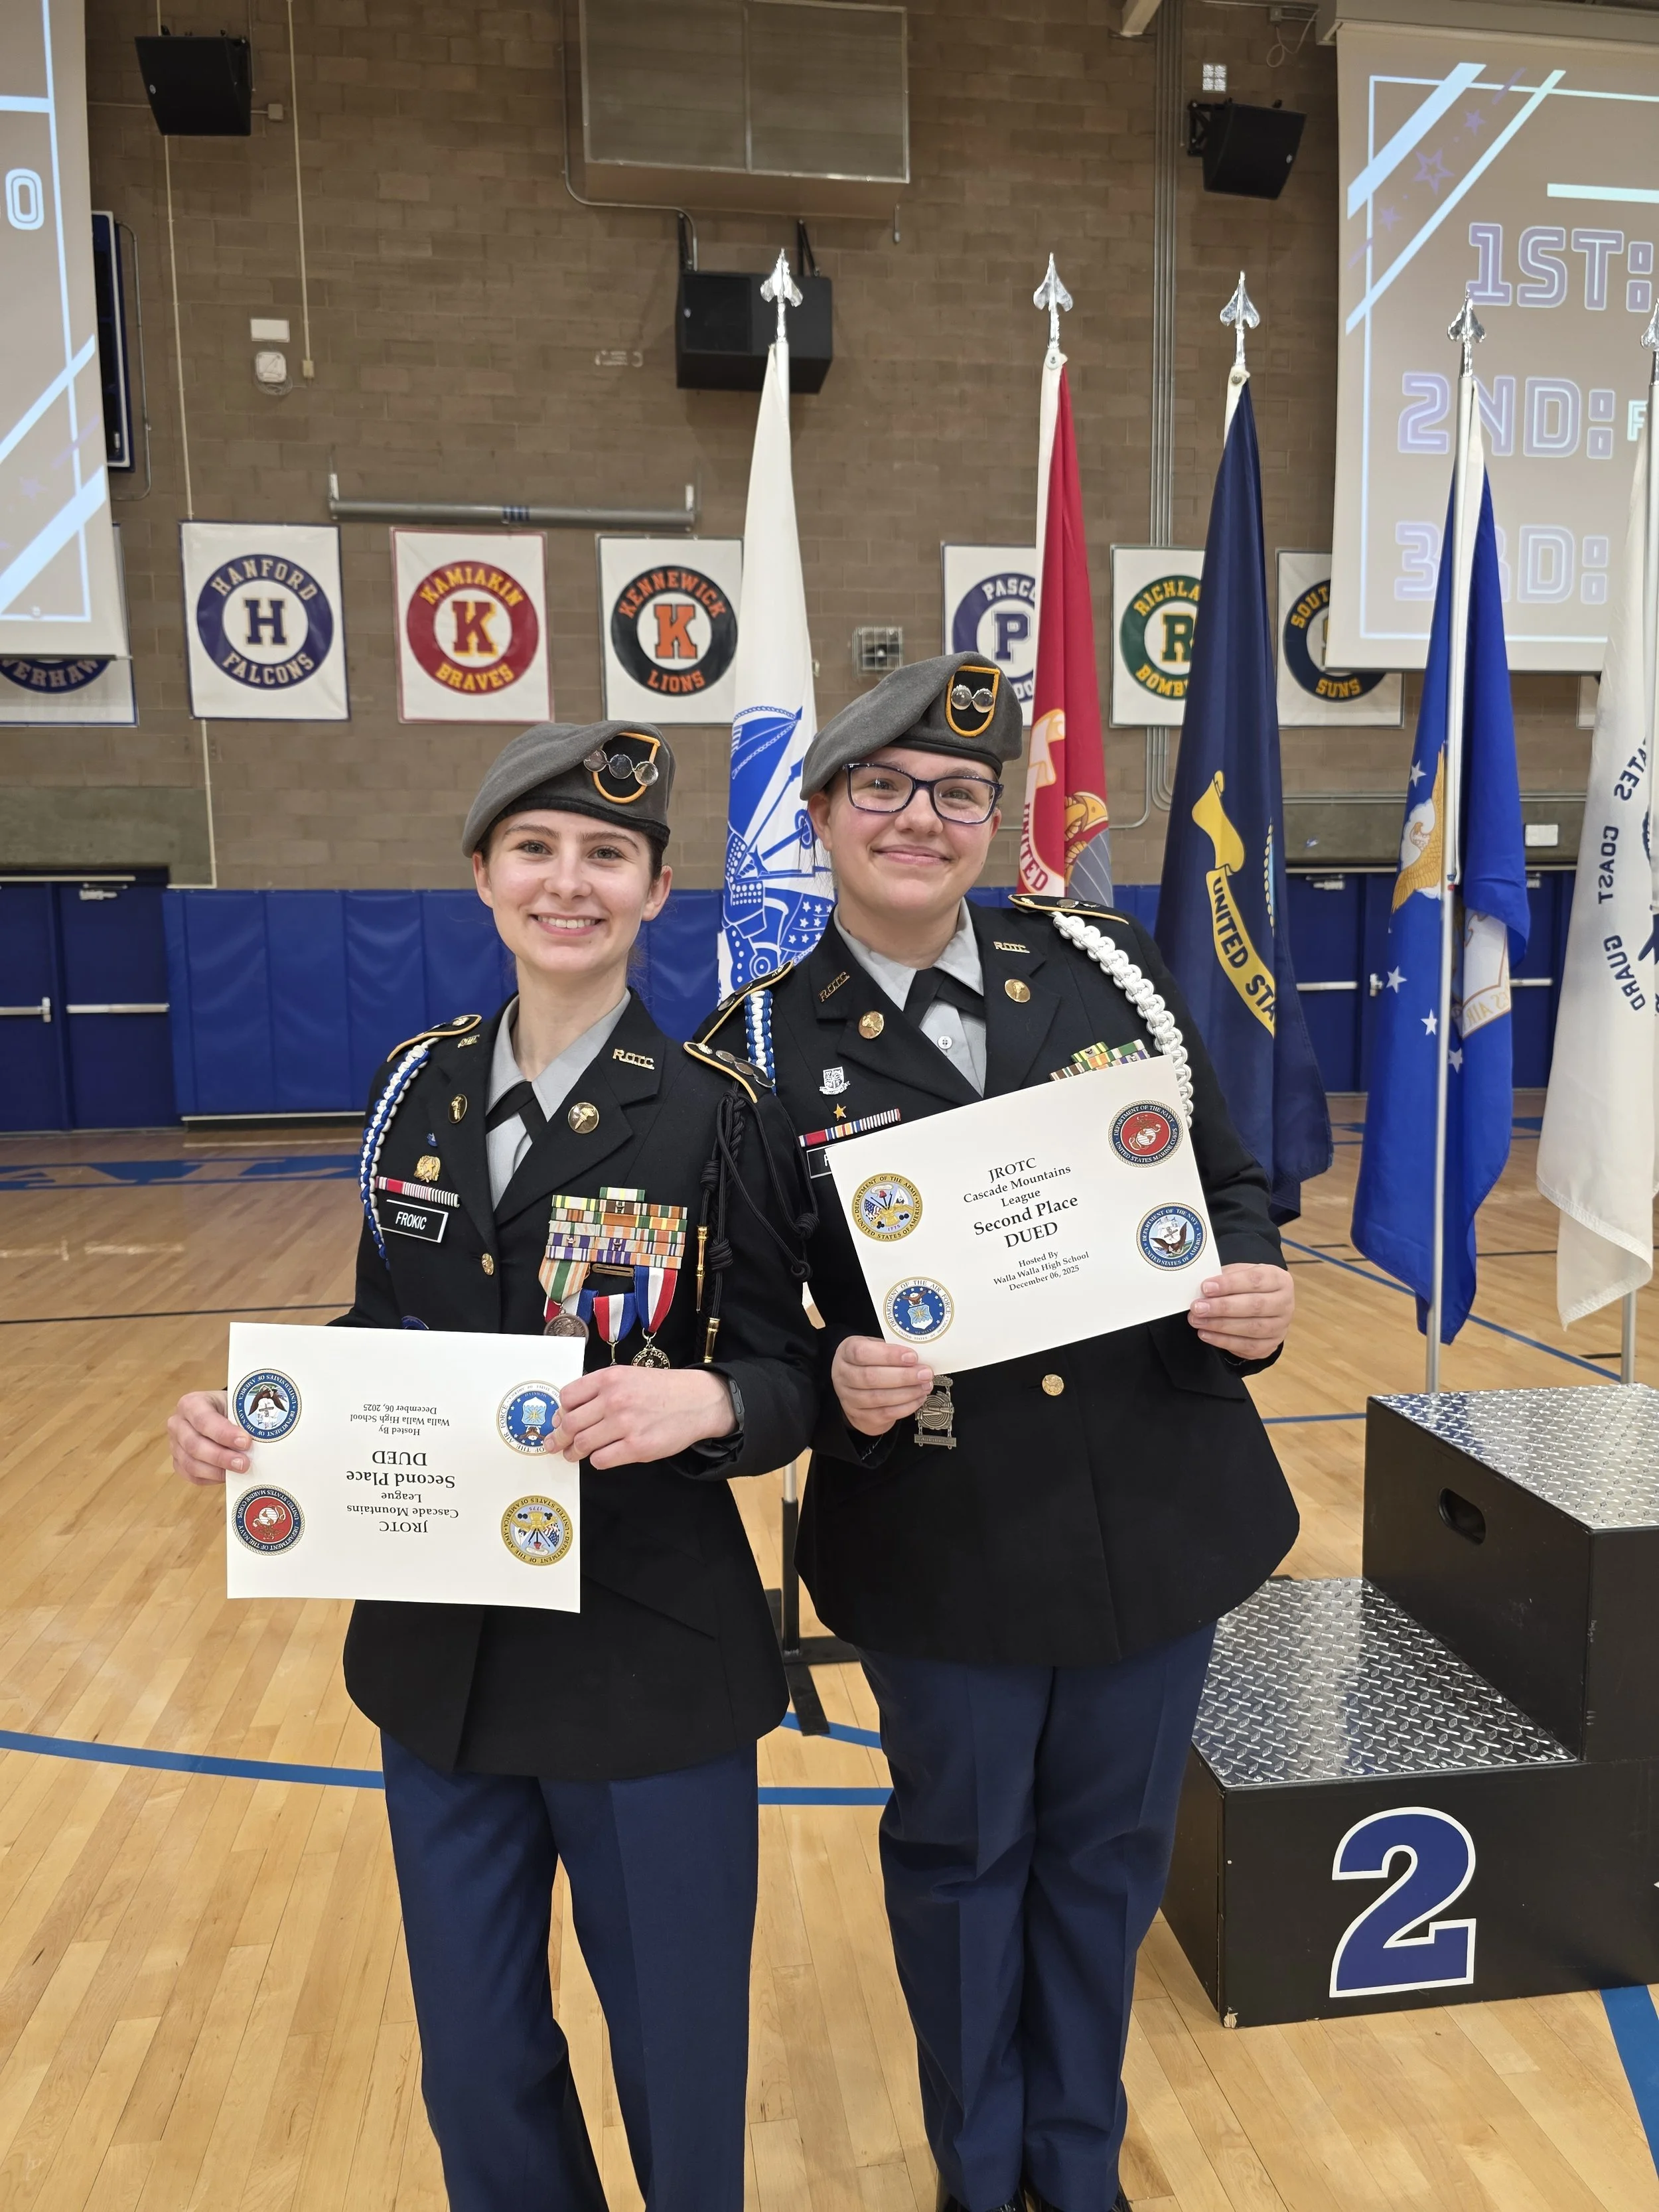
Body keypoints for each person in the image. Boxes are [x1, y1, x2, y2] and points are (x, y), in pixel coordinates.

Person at [168, 721, 819, 2212]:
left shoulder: (721, 1111)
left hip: (649, 1656)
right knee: (474, 2065)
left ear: (658, 891)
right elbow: (378, 1327)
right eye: (535, 849)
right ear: (481, 874)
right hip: (440, 1661)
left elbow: (790, 1378)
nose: (568, 883)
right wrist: (260, 1416)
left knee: (676, 2056)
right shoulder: (418, 1085)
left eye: (609, 855)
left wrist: (706, 1403)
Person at [694, 652, 1298, 2212]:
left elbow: (1227, 1183)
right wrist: (833, 1372)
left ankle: (1073, 2167)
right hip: (940, 1533)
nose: (921, 816)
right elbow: (749, 1326)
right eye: (882, 788)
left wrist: (1252, 1286)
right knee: (963, 1869)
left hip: (1151, 1512)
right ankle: (977, 2175)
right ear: (819, 813)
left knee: (1107, 1864)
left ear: (991, 819)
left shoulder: (1104, 963)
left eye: (958, 792)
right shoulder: (755, 1048)